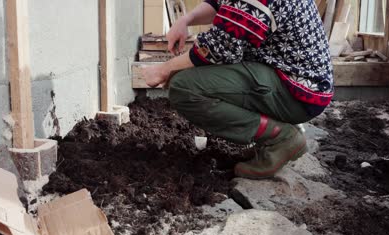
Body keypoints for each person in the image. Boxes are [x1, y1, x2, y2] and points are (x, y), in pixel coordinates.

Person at [142, 0, 333, 180]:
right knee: (193, 74)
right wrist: (186, 20)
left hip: (298, 91)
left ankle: (281, 137)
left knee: (185, 87)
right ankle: (275, 129)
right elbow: (221, 4)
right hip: (294, 78)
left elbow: (217, 48)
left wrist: (163, 70)